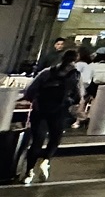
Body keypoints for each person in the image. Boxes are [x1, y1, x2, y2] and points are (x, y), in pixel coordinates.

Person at [21, 50, 81, 184]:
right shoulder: (75, 75)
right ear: (75, 60)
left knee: (37, 141)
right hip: (59, 112)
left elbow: (30, 92)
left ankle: (28, 172)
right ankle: (45, 160)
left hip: (40, 110)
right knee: (55, 138)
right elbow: (77, 97)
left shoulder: (47, 72)